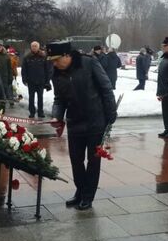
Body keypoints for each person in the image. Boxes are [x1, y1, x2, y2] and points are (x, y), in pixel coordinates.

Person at [48, 41, 117, 210]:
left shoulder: (89, 63)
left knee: (93, 161)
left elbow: (106, 87)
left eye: (57, 60)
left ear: (67, 56)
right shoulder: (56, 73)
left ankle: (88, 196)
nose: (54, 64)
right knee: (76, 160)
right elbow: (59, 98)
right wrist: (57, 115)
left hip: (95, 121)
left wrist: (110, 114)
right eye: (52, 61)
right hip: (75, 122)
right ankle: (80, 190)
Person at [21, 41, 52, 118]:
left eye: (35, 46)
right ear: (31, 47)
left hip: (41, 80)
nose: (34, 47)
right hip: (31, 81)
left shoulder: (43, 56)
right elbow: (24, 69)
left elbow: (47, 69)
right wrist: (24, 79)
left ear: (38, 47)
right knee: (31, 98)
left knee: (40, 97)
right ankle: (32, 112)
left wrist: (47, 81)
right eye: (33, 46)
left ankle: (40, 112)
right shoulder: (27, 57)